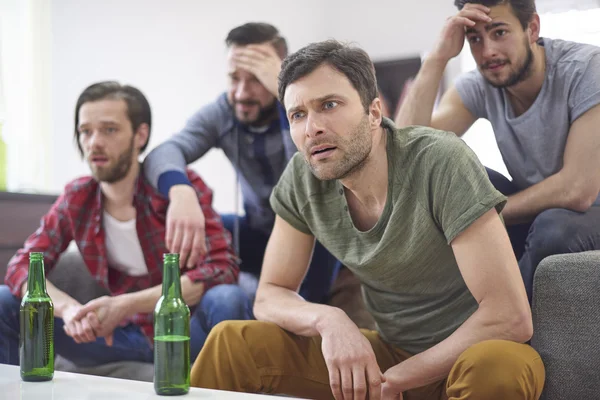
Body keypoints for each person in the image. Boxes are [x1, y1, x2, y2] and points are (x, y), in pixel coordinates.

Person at [188, 40, 546, 400]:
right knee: (231, 344)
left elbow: (509, 316)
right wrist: (329, 321)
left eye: (329, 105)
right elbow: (268, 296)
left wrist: (400, 378)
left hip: (475, 351)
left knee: (498, 370)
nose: (312, 128)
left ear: (374, 112)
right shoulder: (303, 177)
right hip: (390, 354)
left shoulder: (440, 160)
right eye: (298, 115)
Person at [0, 82, 250, 369]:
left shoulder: (179, 190)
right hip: (113, 338)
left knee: (228, 298)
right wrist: (70, 311)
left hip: (182, 335)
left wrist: (123, 305)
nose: (94, 142)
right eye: (85, 131)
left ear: (139, 135)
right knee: (5, 300)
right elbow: (22, 267)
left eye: (109, 129)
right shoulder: (77, 198)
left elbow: (221, 270)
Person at [395, 0, 600, 303]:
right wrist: (437, 57)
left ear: (532, 28)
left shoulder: (586, 68)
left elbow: (578, 190)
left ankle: (508, 325)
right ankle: (458, 316)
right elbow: (406, 155)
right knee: (465, 178)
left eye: (500, 32)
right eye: (475, 39)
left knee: (553, 227)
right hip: (545, 208)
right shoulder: (481, 84)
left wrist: (481, 215)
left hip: (588, 208)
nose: (488, 51)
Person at [142, 22, 340, 303]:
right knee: (200, 226)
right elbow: (164, 152)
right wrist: (181, 192)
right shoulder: (224, 111)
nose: (242, 93)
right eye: (234, 78)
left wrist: (288, 94)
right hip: (259, 232)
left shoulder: (309, 111)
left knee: (321, 231)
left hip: (316, 233)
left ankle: (305, 315)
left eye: (257, 79)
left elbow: (314, 175)